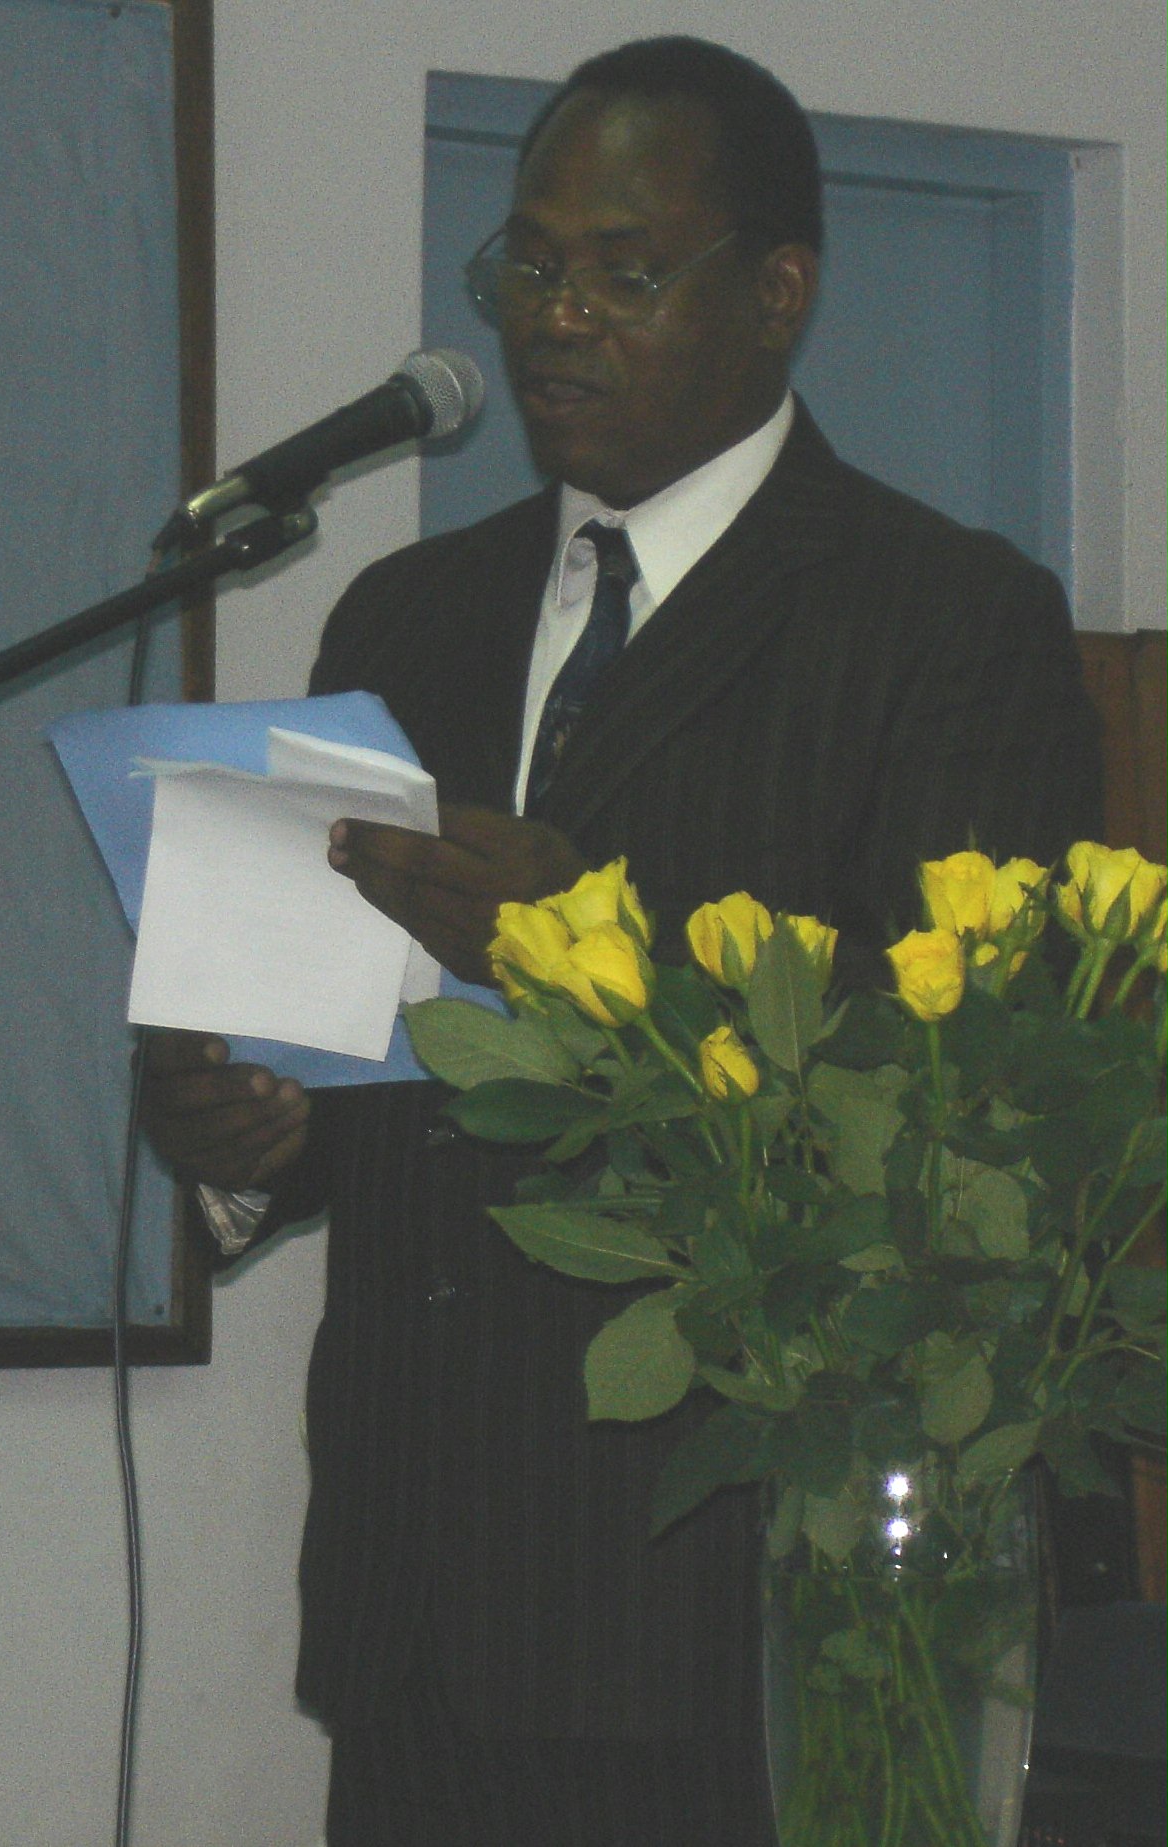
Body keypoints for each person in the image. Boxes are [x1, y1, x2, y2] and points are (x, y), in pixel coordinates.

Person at [143, 36, 1103, 1846]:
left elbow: (970, 1150)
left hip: (733, 1618)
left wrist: (602, 976)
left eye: (620, 271)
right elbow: (375, 1077)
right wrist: (247, 1139)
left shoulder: (942, 621)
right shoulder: (403, 611)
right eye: (526, 267)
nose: (553, 317)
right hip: (414, 1606)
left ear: (775, 293)